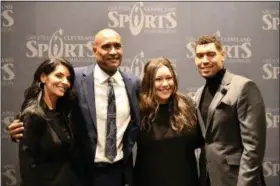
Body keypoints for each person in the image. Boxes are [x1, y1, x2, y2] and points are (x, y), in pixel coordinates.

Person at [8, 28, 141, 186]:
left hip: (119, 173)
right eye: (106, 46)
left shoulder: (133, 83)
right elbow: (44, 105)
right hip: (83, 174)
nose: (113, 51)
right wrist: (21, 124)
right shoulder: (75, 79)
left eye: (117, 46)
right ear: (94, 50)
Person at [193, 35, 266, 186]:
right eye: (200, 56)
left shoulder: (244, 87)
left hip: (236, 180)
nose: (205, 60)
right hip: (208, 179)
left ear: (223, 55)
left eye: (211, 54)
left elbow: (253, 148)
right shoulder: (198, 94)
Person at [133, 57, 204, 186]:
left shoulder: (188, 105)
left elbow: (200, 141)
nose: (165, 84)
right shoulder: (139, 109)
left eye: (169, 78)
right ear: (149, 82)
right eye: (158, 79)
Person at [17, 57, 82, 186]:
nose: (65, 82)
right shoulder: (33, 114)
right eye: (59, 76)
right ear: (43, 77)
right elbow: (28, 166)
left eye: (68, 79)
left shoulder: (62, 113)